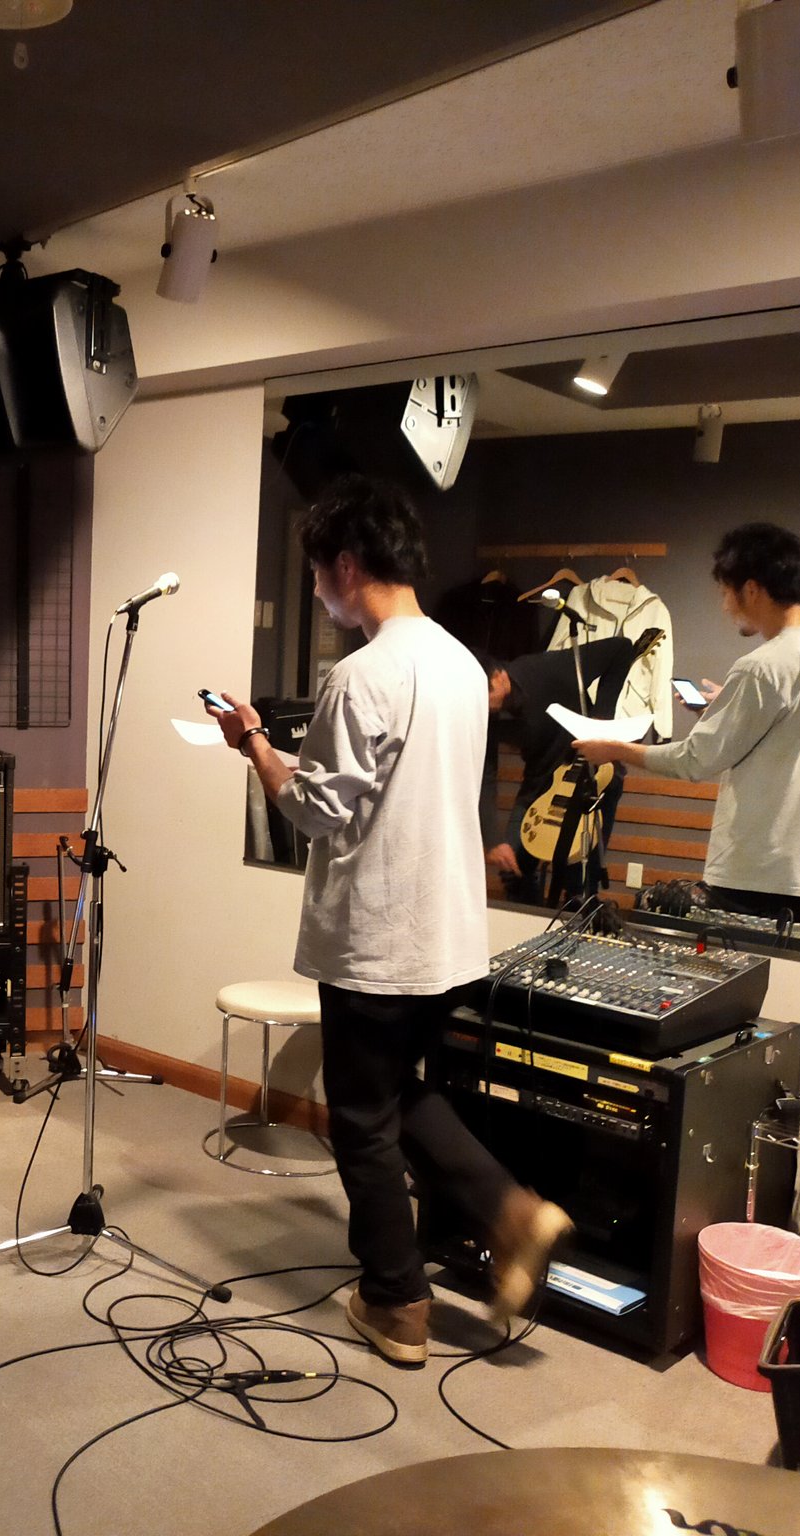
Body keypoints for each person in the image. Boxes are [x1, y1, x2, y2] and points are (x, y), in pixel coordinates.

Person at [207, 474, 571, 1367]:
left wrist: (254, 745)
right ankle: (510, 1212)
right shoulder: (460, 666)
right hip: (448, 934)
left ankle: (397, 1300)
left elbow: (317, 812)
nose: (319, 595)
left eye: (317, 576)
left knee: (363, 1119)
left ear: (344, 564)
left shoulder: (362, 675)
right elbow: (391, 789)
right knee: (396, 1094)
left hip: (377, 937)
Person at [576, 522, 800, 924]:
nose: (725, 606)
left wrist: (614, 749)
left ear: (751, 589)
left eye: (726, 592)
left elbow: (695, 760)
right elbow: (785, 734)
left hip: (761, 872)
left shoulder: (762, 667)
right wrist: (724, 708)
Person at [479, 635, 651, 905]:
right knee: (512, 868)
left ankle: (577, 920)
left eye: (485, 693)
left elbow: (621, 648)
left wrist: (601, 718)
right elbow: (486, 774)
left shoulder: (544, 668)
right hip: (540, 785)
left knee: (578, 887)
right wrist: (492, 840)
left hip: (590, 777)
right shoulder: (485, 712)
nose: (483, 703)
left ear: (500, 676)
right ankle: (531, 926)